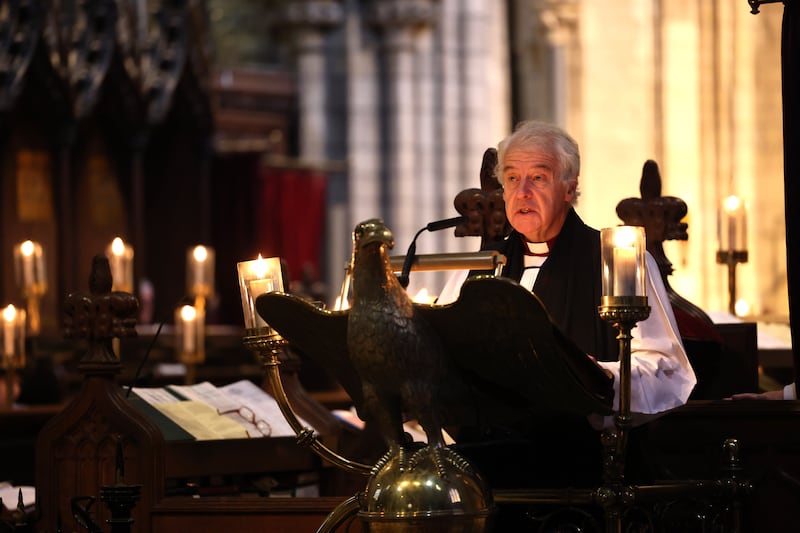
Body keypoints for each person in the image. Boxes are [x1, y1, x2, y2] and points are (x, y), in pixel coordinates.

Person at [435, 120, 696, 491]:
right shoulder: (476, 271)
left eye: (538, 178)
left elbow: (667, 370)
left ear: (570, 188)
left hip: (582, 470)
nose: (522, 192)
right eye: (511, 179)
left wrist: (601, 379)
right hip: (486, 466)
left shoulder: (616, 260)